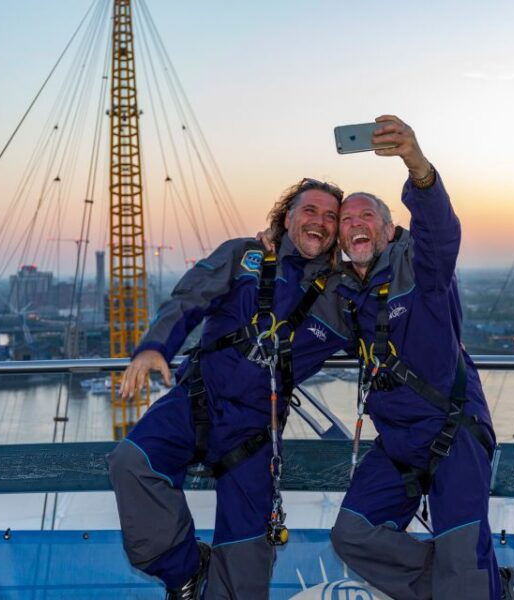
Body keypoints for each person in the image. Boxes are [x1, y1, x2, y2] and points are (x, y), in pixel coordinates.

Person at [107, 178, 351, 599]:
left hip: (254, 430)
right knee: (132, 463)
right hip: (197, 400)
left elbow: (399, 313)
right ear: (286, 217)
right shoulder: (245, 255)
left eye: (331, 216)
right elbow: (189, 298)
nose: (320, 222)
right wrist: (154, 347)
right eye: (309, 210)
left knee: (245, 566)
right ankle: (185, 570)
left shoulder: (342, 295)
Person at [328, 115, 514, 599]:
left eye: (367, 215)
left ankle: (471, 582)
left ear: (389, 231)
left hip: (453, 433)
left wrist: (416, 163)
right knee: (352, 534)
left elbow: (440, 227)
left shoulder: (423, 269)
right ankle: (475, 585)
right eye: (346, 221)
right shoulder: (346, 295)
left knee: (462, 560)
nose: (355, 224)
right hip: (398, 443)